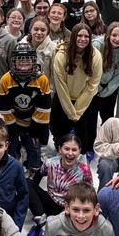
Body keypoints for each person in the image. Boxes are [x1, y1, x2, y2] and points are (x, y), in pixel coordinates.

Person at [0, 42, 52, 175]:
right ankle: (13, 169)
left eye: (27, 59)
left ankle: (33, 170)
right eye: (19, 59)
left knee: (34, 148)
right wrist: (13, 128)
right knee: (11, 148)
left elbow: (43, 108)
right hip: (14, 123)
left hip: (34, 124)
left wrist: (34, 129)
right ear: (14, 61)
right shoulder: (6, 79)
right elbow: (4, 108)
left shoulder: (42, 80)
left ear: (33, 60)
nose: (23, 62)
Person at [49, 23, 102, 152]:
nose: (83, 39)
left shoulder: (95, 56)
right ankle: (60, 154)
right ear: (73, 36)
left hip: (84, 101)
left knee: (82, 131)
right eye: (79, 35)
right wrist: (70, 111)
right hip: (63, 100)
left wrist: (77, 110)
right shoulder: (61, 55)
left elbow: (93, 84)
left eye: (86, 36)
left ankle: (82, 154)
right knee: (59, 130)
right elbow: (60, 85)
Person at [27, 133, 92, 231]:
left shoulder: (84, 170)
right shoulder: (50, 163)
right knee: (27, 182)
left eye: (74, 150)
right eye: (66, 149)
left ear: (79, 151)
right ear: (59, 149)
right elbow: (37, 177)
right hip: (49, 202)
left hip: (68, 208)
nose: (70, 153)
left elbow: (89, 193)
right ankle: (41, 223)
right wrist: (34, 200)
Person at [92, 22, 119, 127]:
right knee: (91, 118)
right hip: (94, 86)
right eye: (114, 35)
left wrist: (108, 90)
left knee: (107, 117)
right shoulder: (97, 45)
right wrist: (97, 88)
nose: (117, 39)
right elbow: (90, 70)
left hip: (111, 88)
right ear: (108, 35)